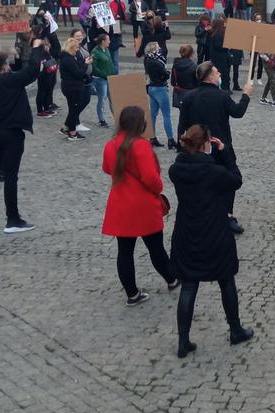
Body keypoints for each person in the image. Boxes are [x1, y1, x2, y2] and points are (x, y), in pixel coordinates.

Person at [168, 123, 252, 358]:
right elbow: (236, 180)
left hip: (187, 231)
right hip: (214, 231)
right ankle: (235, 330)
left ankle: (183, 341)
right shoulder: (214, 172)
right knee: (226, 280)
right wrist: (224, 152)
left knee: (189, 285)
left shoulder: (176, 171)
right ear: (206, 143)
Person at [102, 106, 178, 305]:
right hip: (142, 205)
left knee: (124, 252)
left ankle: (132, 293)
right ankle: (172, 279)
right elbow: (151, 178)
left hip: (120, 203)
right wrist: (159, 188)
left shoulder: (111, 145)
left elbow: (107, 168)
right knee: (155, 248)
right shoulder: (140, 146)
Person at [0, 41, 47, 233]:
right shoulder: (10, 81)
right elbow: (32, 71)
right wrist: (36, 47)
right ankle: (12, 219)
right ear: (3, 66)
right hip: (12, 133)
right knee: (11, 176)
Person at [176, 62, 253, 234]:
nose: (220, 75)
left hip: (196, 147)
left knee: (200, 182)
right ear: (209, 76)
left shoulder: (189, 96)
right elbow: (238, 112)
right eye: (217, 73)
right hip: (221, 147)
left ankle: (203, 214)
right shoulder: (222, 96)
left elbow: (182, 126)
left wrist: (182, 147)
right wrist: (246, 95)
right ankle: (227, 215)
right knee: (227, 183)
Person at [57, 32, 93, 141]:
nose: (78, 50)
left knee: (73, 109)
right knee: (74, 109)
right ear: (71, 48)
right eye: (76, 48)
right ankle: (72, 133)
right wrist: (86, 64)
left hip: (71, 86)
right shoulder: (68, 59)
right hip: (72, 87)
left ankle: (67, 128)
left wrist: (84, 62)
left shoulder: (69, 57)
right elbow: (78, 73)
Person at [143, 41, 174, 147]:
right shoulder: (157, 62)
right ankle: (170, 139)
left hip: (151, 87)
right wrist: (167, 74)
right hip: (160, 88)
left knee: (152, 114)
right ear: (154, 50)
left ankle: (152, 137)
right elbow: (164, 75)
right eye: (158, 47)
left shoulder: (147, 59)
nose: (160, 49)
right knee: (166, 115)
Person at [91, 32, 116, 128]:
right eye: (108, 40)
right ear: (103, 41)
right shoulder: (95, 52)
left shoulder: (106, 49)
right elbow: (94, 68)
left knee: (112, 99)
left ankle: (116, 117)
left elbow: (109, 62)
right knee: (102, 99)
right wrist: (104, 75)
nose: (109, 41)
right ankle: (101, 119)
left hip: (109, 78)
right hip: (101, 80)